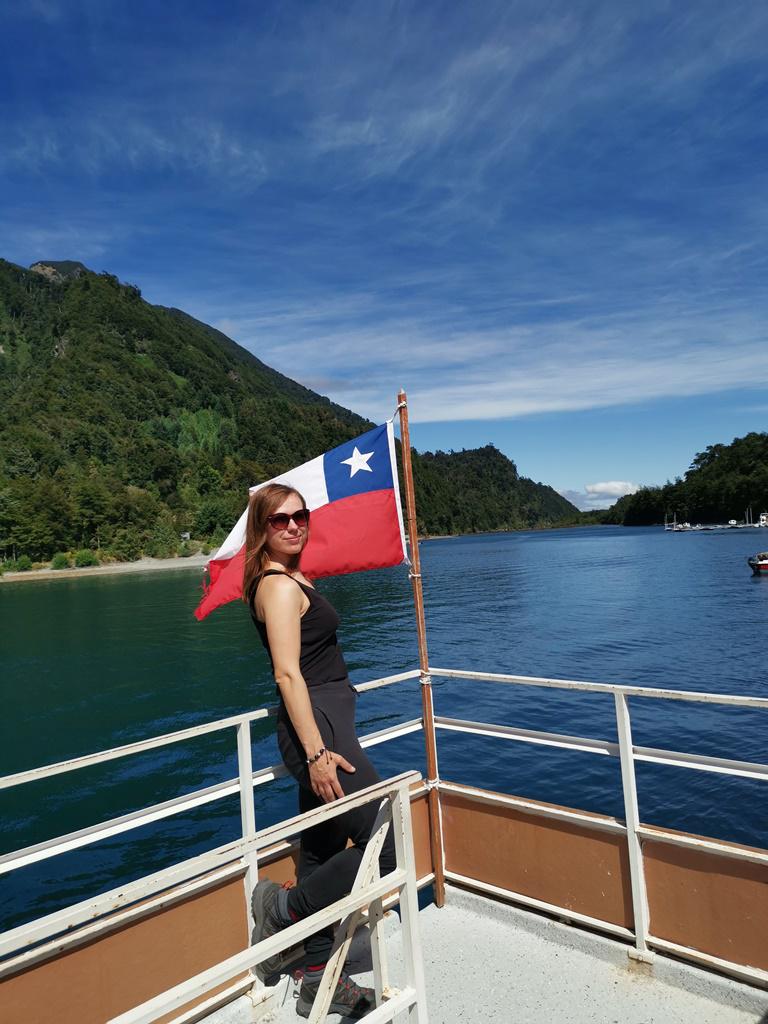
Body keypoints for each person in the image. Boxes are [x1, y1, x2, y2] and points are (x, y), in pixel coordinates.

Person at [244, 482, 395, 1020]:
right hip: (319, 734)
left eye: (299, 516)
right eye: (278, 519)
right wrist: (316, 754)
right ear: (261, 529)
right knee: (387, 843)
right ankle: (283, 909)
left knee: (321, 853)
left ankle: (313, 977)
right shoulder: (278, 587)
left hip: (329, 722)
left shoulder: (291, 578)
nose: (292, 525)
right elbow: (288, 674)